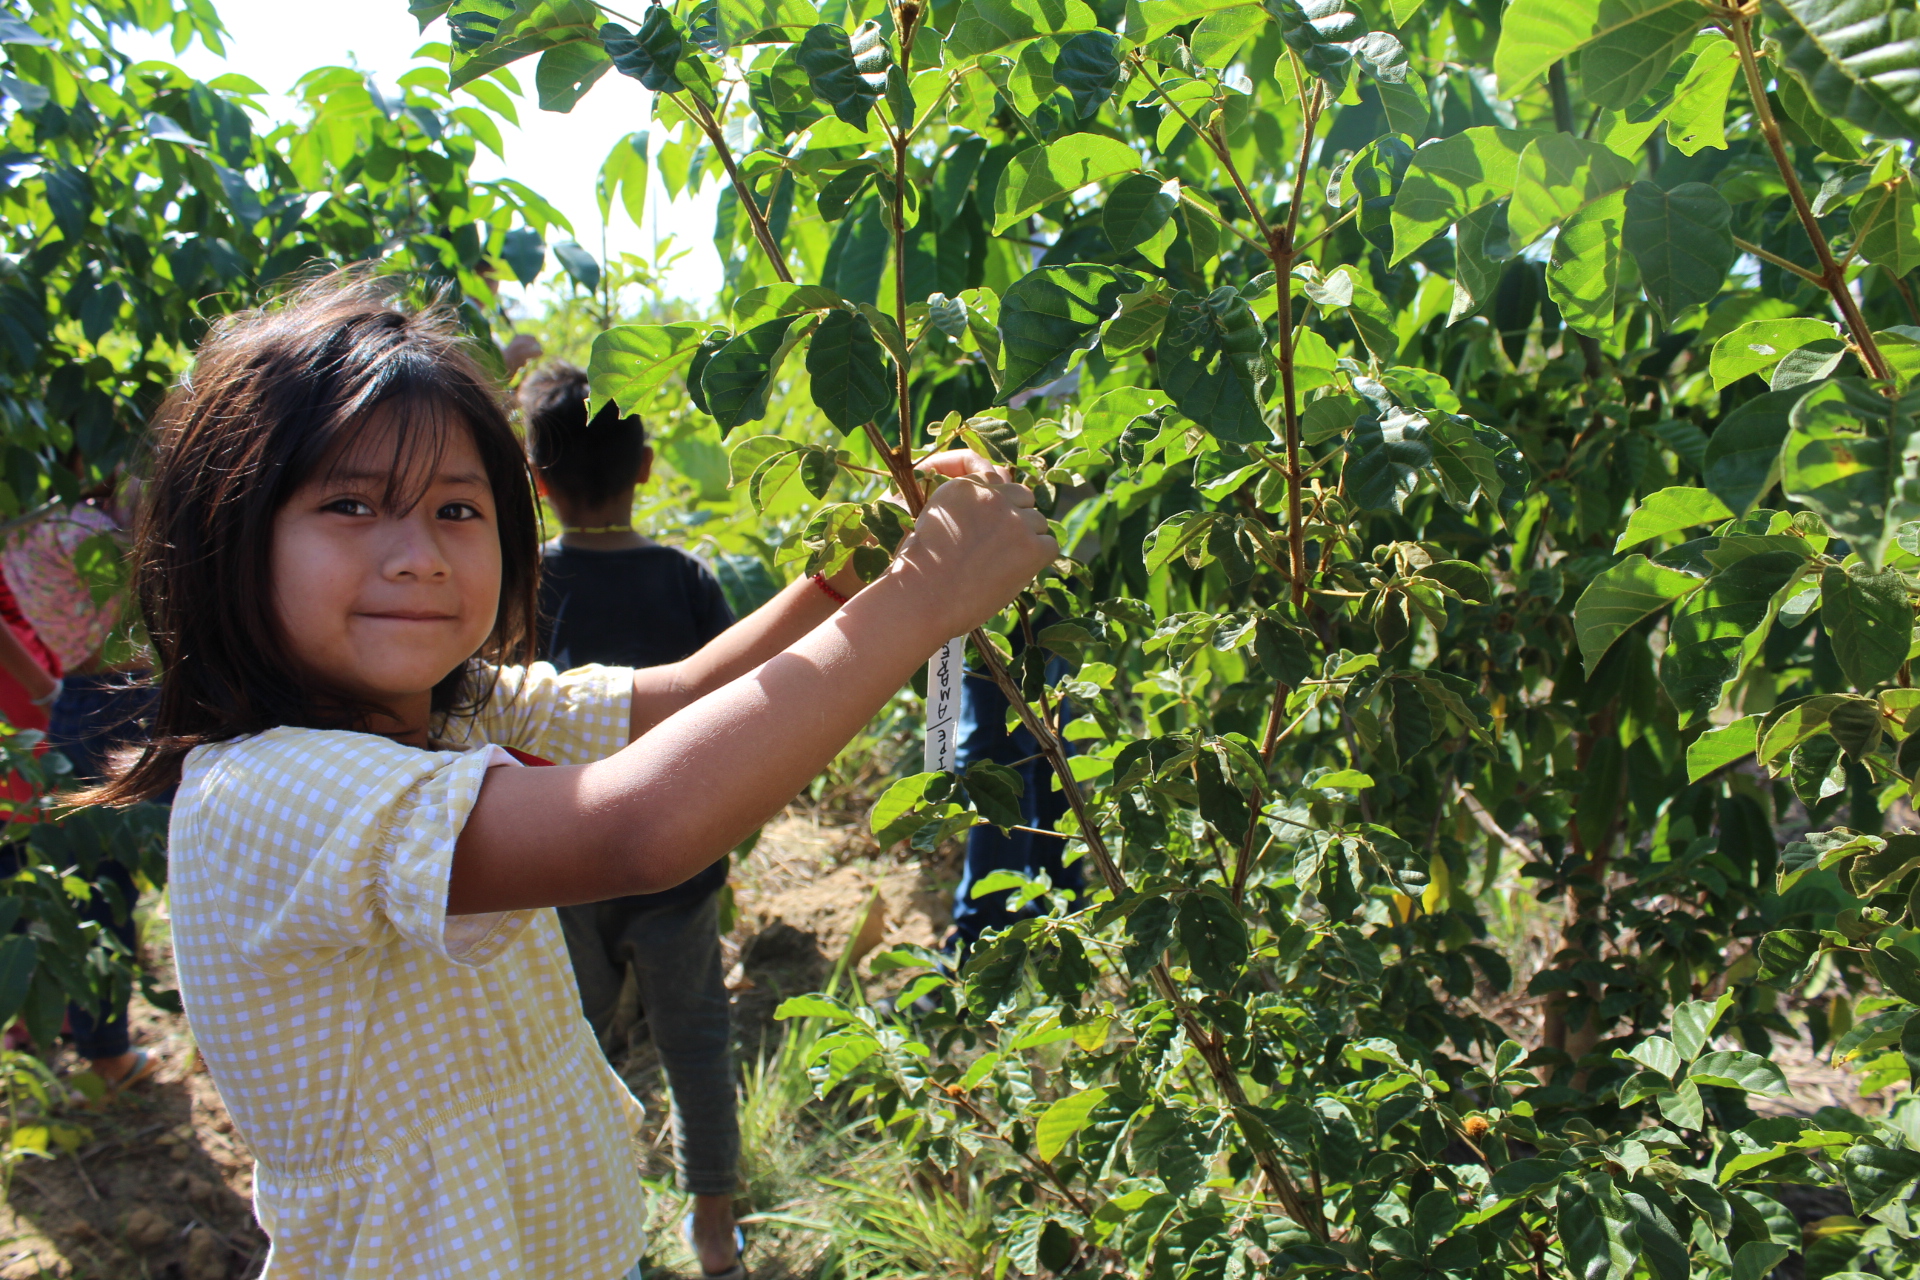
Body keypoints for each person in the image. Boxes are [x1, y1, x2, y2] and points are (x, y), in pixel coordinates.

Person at [85, 274, 1055, 1280]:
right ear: (226, 533)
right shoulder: (263, 790)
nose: (418, 555)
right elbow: (635, 828)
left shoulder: (451, 705)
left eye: (457, 508)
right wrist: (919, 600)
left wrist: (849, 568)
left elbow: (675, 694)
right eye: (351, 503)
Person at [519, 362, 744, 1280]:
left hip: (557, 864)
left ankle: (597, 1226)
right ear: (647, 467)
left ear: (536, 484)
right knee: (695, 1034)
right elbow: (735, 708)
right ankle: (716, 1233)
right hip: (678, 863)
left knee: (575, 1052)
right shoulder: (686, 581)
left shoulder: (516, 585)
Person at [0, 495, 158, 1092]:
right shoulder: (81, 527)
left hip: (75, 700)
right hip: (127, 696)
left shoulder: (21, 531)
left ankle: (105, 1053)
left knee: (99, 883)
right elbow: (152, 591)